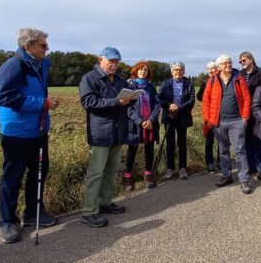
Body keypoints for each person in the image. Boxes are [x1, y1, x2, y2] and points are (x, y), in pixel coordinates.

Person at [0, 27, 59, 243]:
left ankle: (33, 213)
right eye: (42, 45)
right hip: (17, 131)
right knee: (12, 177)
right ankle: (7, 222)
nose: (47, 48)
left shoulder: (39, 66)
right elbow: (4, 96)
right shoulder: (14, 65)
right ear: (27, 46)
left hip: (37, 129)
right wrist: (42, 103)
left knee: (38, 173)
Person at [78, 47, 132, 228]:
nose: (114, 65)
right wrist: (116, 102)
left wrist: (133, 97)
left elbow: (126, 98)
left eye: (117, 62)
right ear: (100, 59)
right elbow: (89, 102)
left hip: (118, 131)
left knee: (111, 170)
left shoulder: (119, 80)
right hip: (100, 132)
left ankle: (105, 202)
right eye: (111, 61)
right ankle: (89, 211)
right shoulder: (89, 78)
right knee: (96, 173)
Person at [202, 54, 253, 194]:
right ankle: (226, 176)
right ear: (219, 66)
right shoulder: (212, 80)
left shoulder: (238, 78)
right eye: (225, 63)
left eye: (229, 62)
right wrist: (208, 120)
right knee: (223, 151)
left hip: (236, 120)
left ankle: (244, 180)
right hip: (219, 122)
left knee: (239, 151)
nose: (228, 65)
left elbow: (247, 97)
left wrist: (245, 118)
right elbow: (206, 101)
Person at [124, 61, 160, 191]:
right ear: (136, 71)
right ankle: (128, 177)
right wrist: (140, 121)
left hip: (150, 123)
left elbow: (157, 104)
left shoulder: (150, 86)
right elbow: (127, 107)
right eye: (141, 70)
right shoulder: (129, 85)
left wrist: (150, 120)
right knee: (132, 150)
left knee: (149, 149)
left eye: (145, 70)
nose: (143, 72)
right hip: (134, 124)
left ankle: (148, 174)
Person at [158, 62, 195, 180]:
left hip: (182, 117)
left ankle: (182, 168)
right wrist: (170, 105)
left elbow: (191, 100)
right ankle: (170, 169)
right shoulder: (165, 83)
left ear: (183, 72)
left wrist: (179, 107)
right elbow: (159, 98)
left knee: (182, 143)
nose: (178, 72)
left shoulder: (188, 84)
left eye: (180, 70)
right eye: (175, 70)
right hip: (169, 116)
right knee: (170, 144)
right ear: (172, 72)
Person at [238, 51, 261, 179]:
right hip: (245, 112)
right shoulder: (240, 74)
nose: (241, 63)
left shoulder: (260, 72)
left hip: (257, 111)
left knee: (258, 140)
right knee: (247, 140)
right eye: (240, 61)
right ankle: (251, 166)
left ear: (251, 59)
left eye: (243, 60)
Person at [196, 61, 219, 174]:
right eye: (209, 69)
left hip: (220, 114)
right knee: (209, 140)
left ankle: (220, 162)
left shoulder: (220, 80)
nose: (211, 70)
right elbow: (199, 96)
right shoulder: (205, 82)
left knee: (221, 140)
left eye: (213, 68)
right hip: (209, 114)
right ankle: (209, 163)